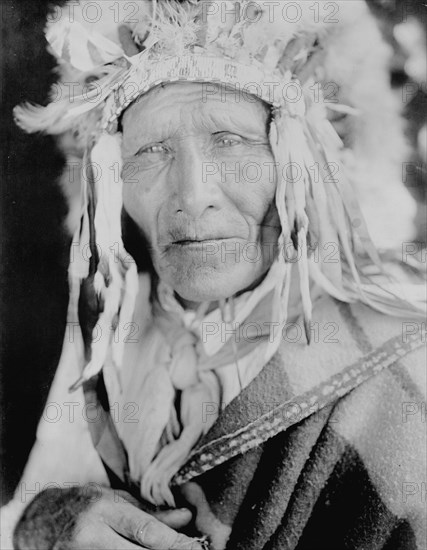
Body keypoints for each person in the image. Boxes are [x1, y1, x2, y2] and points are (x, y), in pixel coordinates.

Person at [2, 1, 426, 549]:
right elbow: (30, 506)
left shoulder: (405, 366)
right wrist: (51, 522)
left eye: (230, 141)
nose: (192, 196)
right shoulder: (117, 323)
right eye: (152, 151)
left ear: (300, 162)